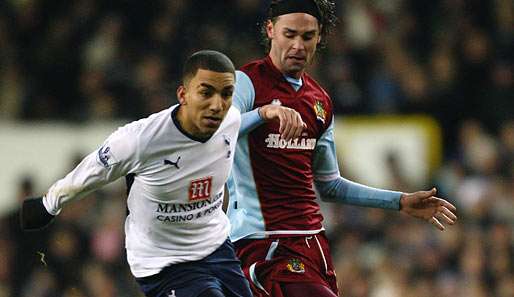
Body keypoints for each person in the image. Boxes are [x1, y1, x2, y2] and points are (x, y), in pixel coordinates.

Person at [226, 1, 458, 297]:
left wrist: (399, 201)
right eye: (290, 34)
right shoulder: (246, 82)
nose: (298, 45)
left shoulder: (319, 100)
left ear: (319, 37)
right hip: (263, 243)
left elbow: (330, 185)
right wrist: (264, 114)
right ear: (271, 30)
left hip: (313, 247)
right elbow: (215, 131)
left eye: (307, 36)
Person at [20, 50, 253, 297]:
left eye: (226, 94)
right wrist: (48, 204)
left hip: (217, 248)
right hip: (164, 263)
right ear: (183, 94)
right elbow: (92, 171)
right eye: (206, 93)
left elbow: (242, 126)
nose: (217, 105)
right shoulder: (140, 140)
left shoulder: (231, 120)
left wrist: (265, 113)